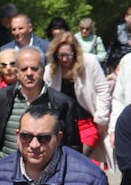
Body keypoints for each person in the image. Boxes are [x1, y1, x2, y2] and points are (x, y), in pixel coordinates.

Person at [0, 46, 83, 180]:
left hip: (46, 180)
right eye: (24, 69)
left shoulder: (62, 103)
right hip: (4, 176)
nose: (29, 73)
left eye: (34, 68)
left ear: (43, 70)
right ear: (17, 72)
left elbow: (73, 147)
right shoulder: (2, 98)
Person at [45, 32, 109, 165]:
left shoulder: (89, 62)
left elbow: (103, 89)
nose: (64, 59)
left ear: (76, 53)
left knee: (77, 161)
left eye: (68, 55)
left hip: (87, 123)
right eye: (60, 55)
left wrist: (101, 119)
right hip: (63, 125)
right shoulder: (50, 70)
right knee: (63, 163)